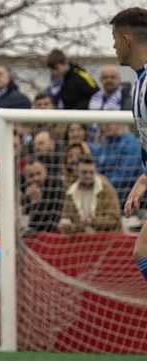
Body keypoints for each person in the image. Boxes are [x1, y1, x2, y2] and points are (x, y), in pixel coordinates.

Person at [111, 7, 147, 282]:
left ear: (126, 39)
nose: (113, 46)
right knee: (142, 251)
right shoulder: (139, 82)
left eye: (114, 39)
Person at [58, 155, 121, 234]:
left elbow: (114, 219)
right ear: (77, 172)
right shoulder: (71, 192)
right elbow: (66, 217)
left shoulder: (106, 189)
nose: (88, 176)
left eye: (91, 172)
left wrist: (93, 221)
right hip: (81, 238)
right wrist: (67, 226)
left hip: (106, 237)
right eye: (84, 172)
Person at [90, 123, 142, 205]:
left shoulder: (131, 144)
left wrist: (101, 186)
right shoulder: (105, 142)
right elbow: (98, 167)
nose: (106, 125)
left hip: (125, 199)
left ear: (120, 123)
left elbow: (125, 176)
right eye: (105, 123)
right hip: (104, 193)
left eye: (111, 122)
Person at [22, 158, 64, 232]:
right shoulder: (23, 192)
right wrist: (32, 201)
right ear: (25, 178)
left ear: (45, 172)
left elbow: (48, 222)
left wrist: (36, 201)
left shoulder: (56, 187)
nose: (36, 178)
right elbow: (26, 223)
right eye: (31, 176)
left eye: (38, 174)